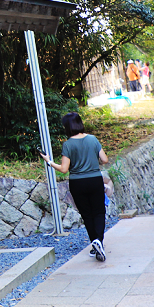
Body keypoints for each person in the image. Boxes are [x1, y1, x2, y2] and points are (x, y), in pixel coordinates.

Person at [40, 112, 110, 261]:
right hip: (94, 179)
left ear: (68, 127)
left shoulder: (68, 144)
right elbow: (104, 159)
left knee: (87, 214)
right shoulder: (92, 139)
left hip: (77, 183)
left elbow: (64, 169)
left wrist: (49, 161)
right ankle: (98, 242)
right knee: (99, 212)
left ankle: (95, 244)